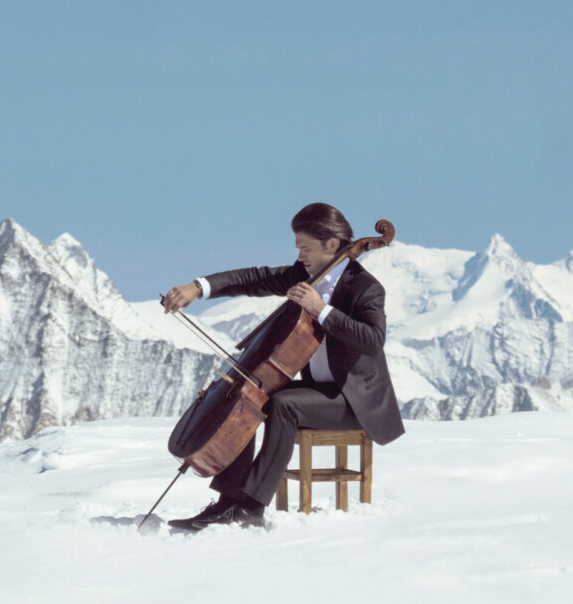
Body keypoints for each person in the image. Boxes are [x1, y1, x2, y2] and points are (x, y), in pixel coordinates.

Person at [161, 203, 404, 530]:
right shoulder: (305, 276)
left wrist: (322, 311)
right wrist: (197, 287)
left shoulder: (365, 288)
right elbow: (254, 278)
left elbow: (373, 339)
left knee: (283, 404)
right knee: (251, 395)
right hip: (318, 392)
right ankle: (228, 501)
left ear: (332, 244)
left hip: (354, 403)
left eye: (305, 248)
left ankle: (252, 507)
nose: (300, 256)